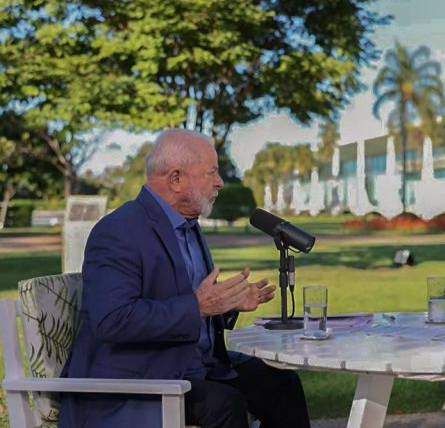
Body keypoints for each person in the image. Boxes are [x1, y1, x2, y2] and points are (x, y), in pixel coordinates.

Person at [59, 129, 310, 428]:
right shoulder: (118, 231)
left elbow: (187, 300)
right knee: (225, 404)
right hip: (138, 380)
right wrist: (199, 306)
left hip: (194, 365)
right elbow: (112, 320)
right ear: (176, 179)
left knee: (283, 384)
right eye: (211, 172)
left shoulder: (188, 226)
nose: (220, 182)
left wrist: (227, 303)